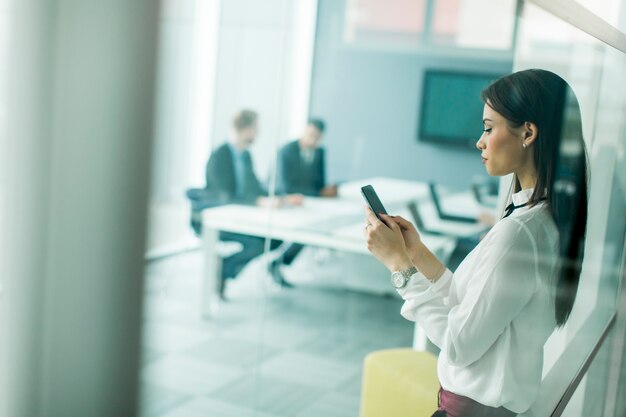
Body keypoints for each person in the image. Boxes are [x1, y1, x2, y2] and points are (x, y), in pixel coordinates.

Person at [364, 69, 588, 416]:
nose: (479, 142)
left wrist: (400, 268)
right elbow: (470, 311)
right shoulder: (541, 218)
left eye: (487, 127)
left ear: (528, 132)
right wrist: (416, 253)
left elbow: (459, 345)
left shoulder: (520, 232)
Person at [205, 109, 302, 299]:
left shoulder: (246, 156)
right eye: (255, 128)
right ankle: (223, 270)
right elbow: (224, 196)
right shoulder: (219, 156)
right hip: (220, 220)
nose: (257, 134)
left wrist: (281, 197)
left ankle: (222, 267)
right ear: (244, 129)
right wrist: (259, 201)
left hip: (242, 217)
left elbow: (255, 187)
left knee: (274, 240)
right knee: (261, 243)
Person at [268, 119, 338, 285]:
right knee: (307, 231)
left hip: (308, 203)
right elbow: (286, 186)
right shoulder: (286, 151)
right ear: (304, 131)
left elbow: (319, 183)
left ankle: (280, 262)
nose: (313, 140)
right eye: (310, 135)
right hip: (284, 202)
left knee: (314, 229)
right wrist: (318, 192)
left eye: (317, 137)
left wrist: (326, 191)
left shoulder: (319, 152)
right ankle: (278, 262)